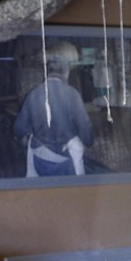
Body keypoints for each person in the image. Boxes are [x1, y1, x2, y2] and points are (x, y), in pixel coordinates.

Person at [13, 41, 93, 176]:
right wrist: (88, 141)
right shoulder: (72, 94)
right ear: (66, 73)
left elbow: (18, 130)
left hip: (38, 157)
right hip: (65, 159)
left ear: (47, 73)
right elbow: (85, 130)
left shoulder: (32, 94)